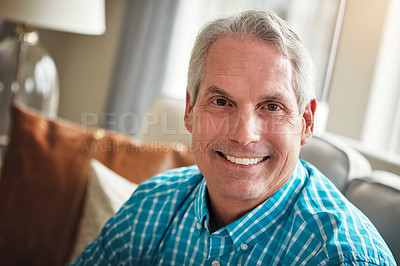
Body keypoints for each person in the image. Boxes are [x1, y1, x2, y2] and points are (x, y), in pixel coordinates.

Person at [72, 10, 396, 265]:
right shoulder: (151, 206)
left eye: (271, 106)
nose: (244, 134)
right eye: (222, 102)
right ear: (190, 110)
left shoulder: (346, 259)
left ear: (306, 122)